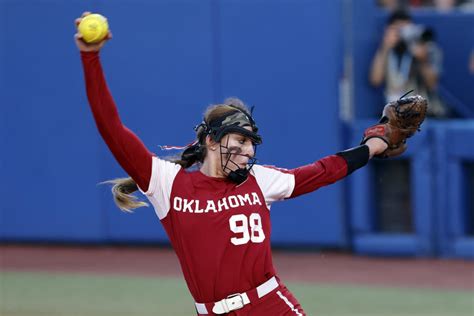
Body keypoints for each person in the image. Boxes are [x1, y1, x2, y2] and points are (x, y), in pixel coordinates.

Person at [75, 12, 389, 316]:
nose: (247, 151)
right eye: (239, 141)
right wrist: (90, 58)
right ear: (211, 141)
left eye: (251, 144)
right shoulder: (167, 183)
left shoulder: (259, 180)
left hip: (270, 306)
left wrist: (373, 146)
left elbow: (322, 172)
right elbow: (111, 127)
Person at [369, 9, 448, 117]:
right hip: (394, 114)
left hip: (423, 114)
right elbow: (375, 80)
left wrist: (423, 61)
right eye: (399, 30)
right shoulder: (387, 50)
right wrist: (385, 48)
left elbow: (432, 84)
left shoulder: (429, 49)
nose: (403, 34)